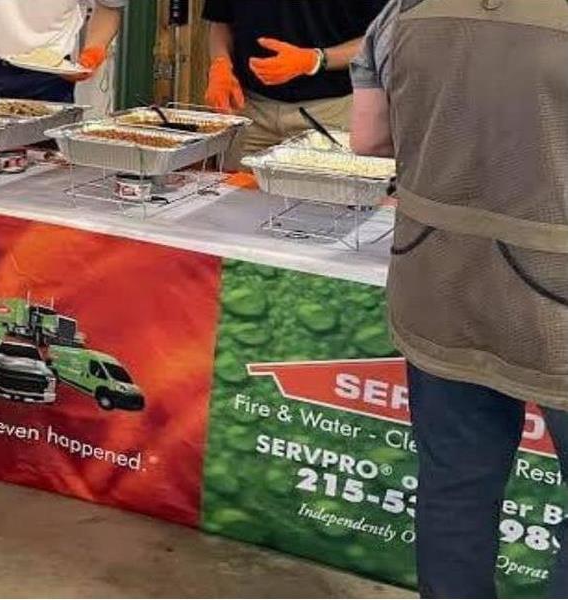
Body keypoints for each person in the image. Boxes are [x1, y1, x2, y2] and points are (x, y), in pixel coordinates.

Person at [350, 0, 568, 597]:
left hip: (439, 283)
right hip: (555, 304)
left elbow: (368, 139)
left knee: (455, 488)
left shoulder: (403, 10)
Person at [202, 0, 387, 166]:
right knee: (234, 198)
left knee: (322, 200)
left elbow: (384, 36)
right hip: (250, 112)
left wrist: (316, 59)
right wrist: (220, 64)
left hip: (328, 113)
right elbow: (220, 21)